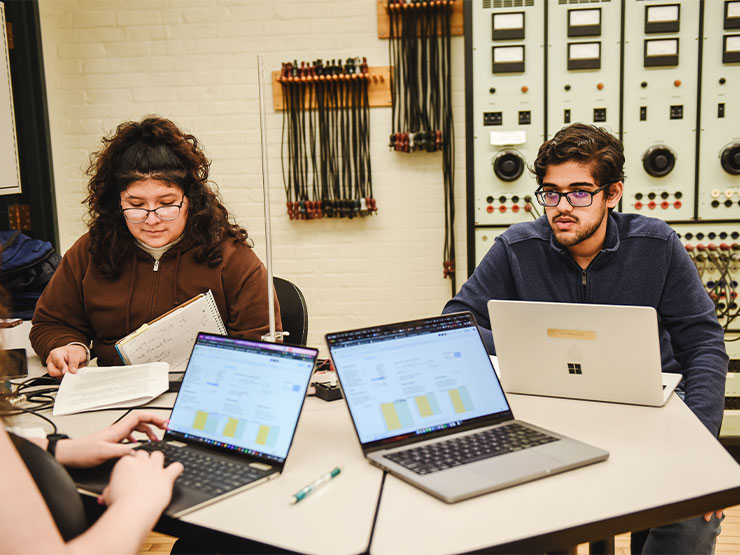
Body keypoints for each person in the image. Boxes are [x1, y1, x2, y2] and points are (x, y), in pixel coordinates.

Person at [444, 123, 728, 553]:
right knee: (519, 513)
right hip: (548, 415)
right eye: (551, 193)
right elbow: (454, 322)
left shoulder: (656, 245)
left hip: (650, 413)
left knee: (690, 520)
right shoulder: (517, 247)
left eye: (579, 192)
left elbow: (704, 345)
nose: (562, 207)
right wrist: (533, 346)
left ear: (612, 194)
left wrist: (702, 447)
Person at [30, 116, 281, 376]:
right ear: (117, 203)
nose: (152, 219)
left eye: (167, 203)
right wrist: (67, 347)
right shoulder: (90, 251)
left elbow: (261, 345)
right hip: (115, 395)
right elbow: (51, 323)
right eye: (136, 205)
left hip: (203, 390)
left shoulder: (232, 258)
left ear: (190, 200)